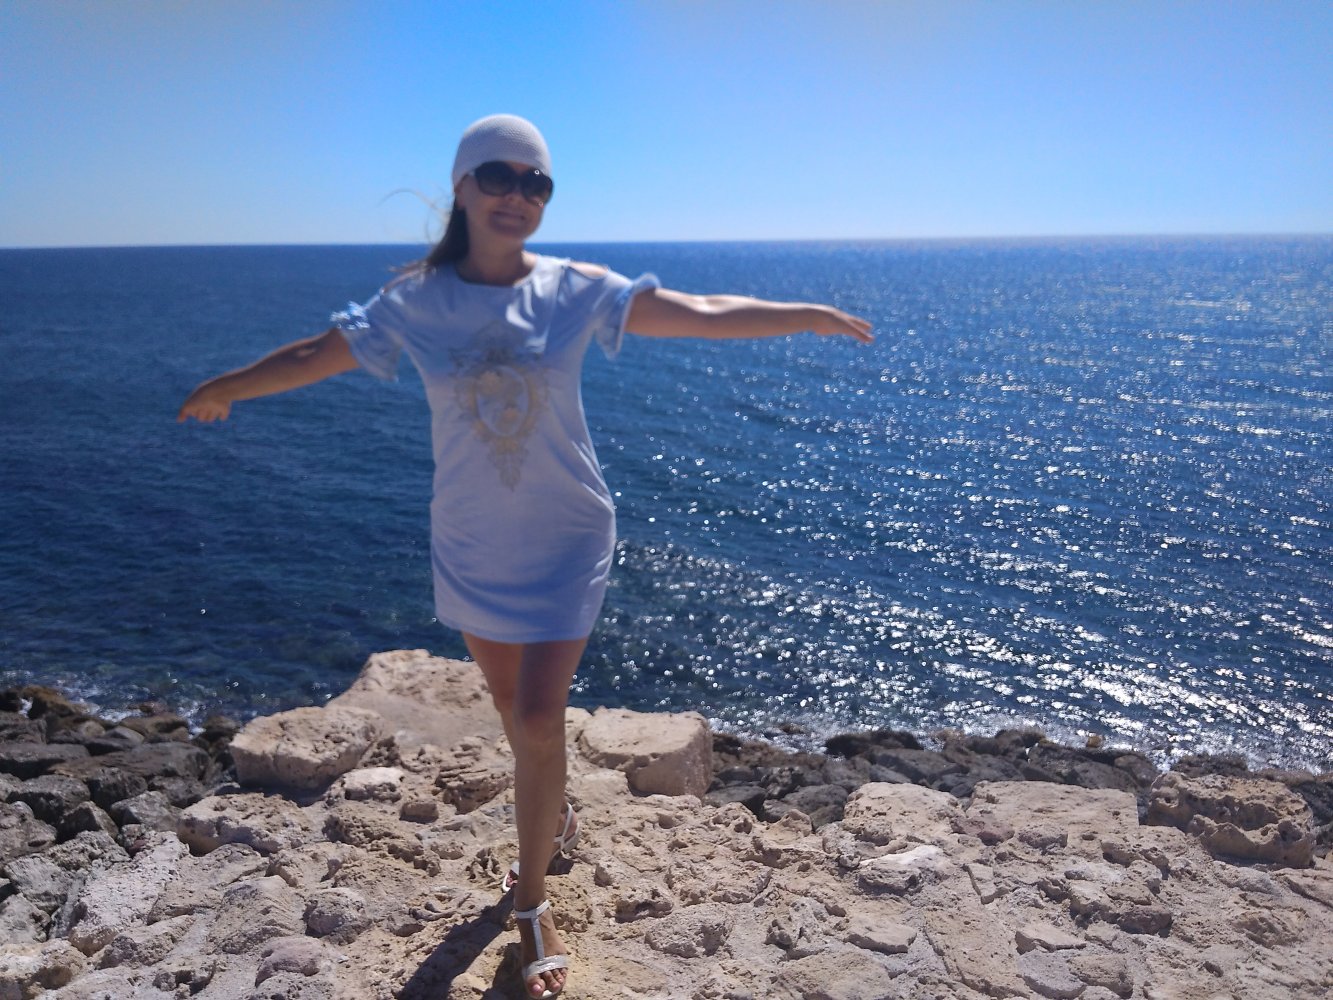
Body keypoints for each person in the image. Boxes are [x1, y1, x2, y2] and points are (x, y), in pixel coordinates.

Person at [178, 113, 873, 999]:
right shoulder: (415, 301)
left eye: (536, 182)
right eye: (499, 176)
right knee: (514, 712)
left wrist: (804, 314)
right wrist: (228, 386)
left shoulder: (572, 289)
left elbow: (695, 312)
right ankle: (555, 812)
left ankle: (532, 901)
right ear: (462, 186)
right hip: (473, 539)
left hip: (566, 535)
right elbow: (320, 352)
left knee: (540, 718)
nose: (518, 195)